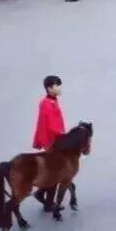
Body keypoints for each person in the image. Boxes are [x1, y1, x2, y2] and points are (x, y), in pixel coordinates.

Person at [32, 75, 66, 207]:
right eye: (57, 85)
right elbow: (52, 126)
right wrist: (63, 137)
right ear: (49, 88)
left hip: (54, 141)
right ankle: (48, 202)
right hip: (52, 142)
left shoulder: (52, 101)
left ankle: (42, 194)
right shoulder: (47, 104)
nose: (60, 88)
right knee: (56, 172)